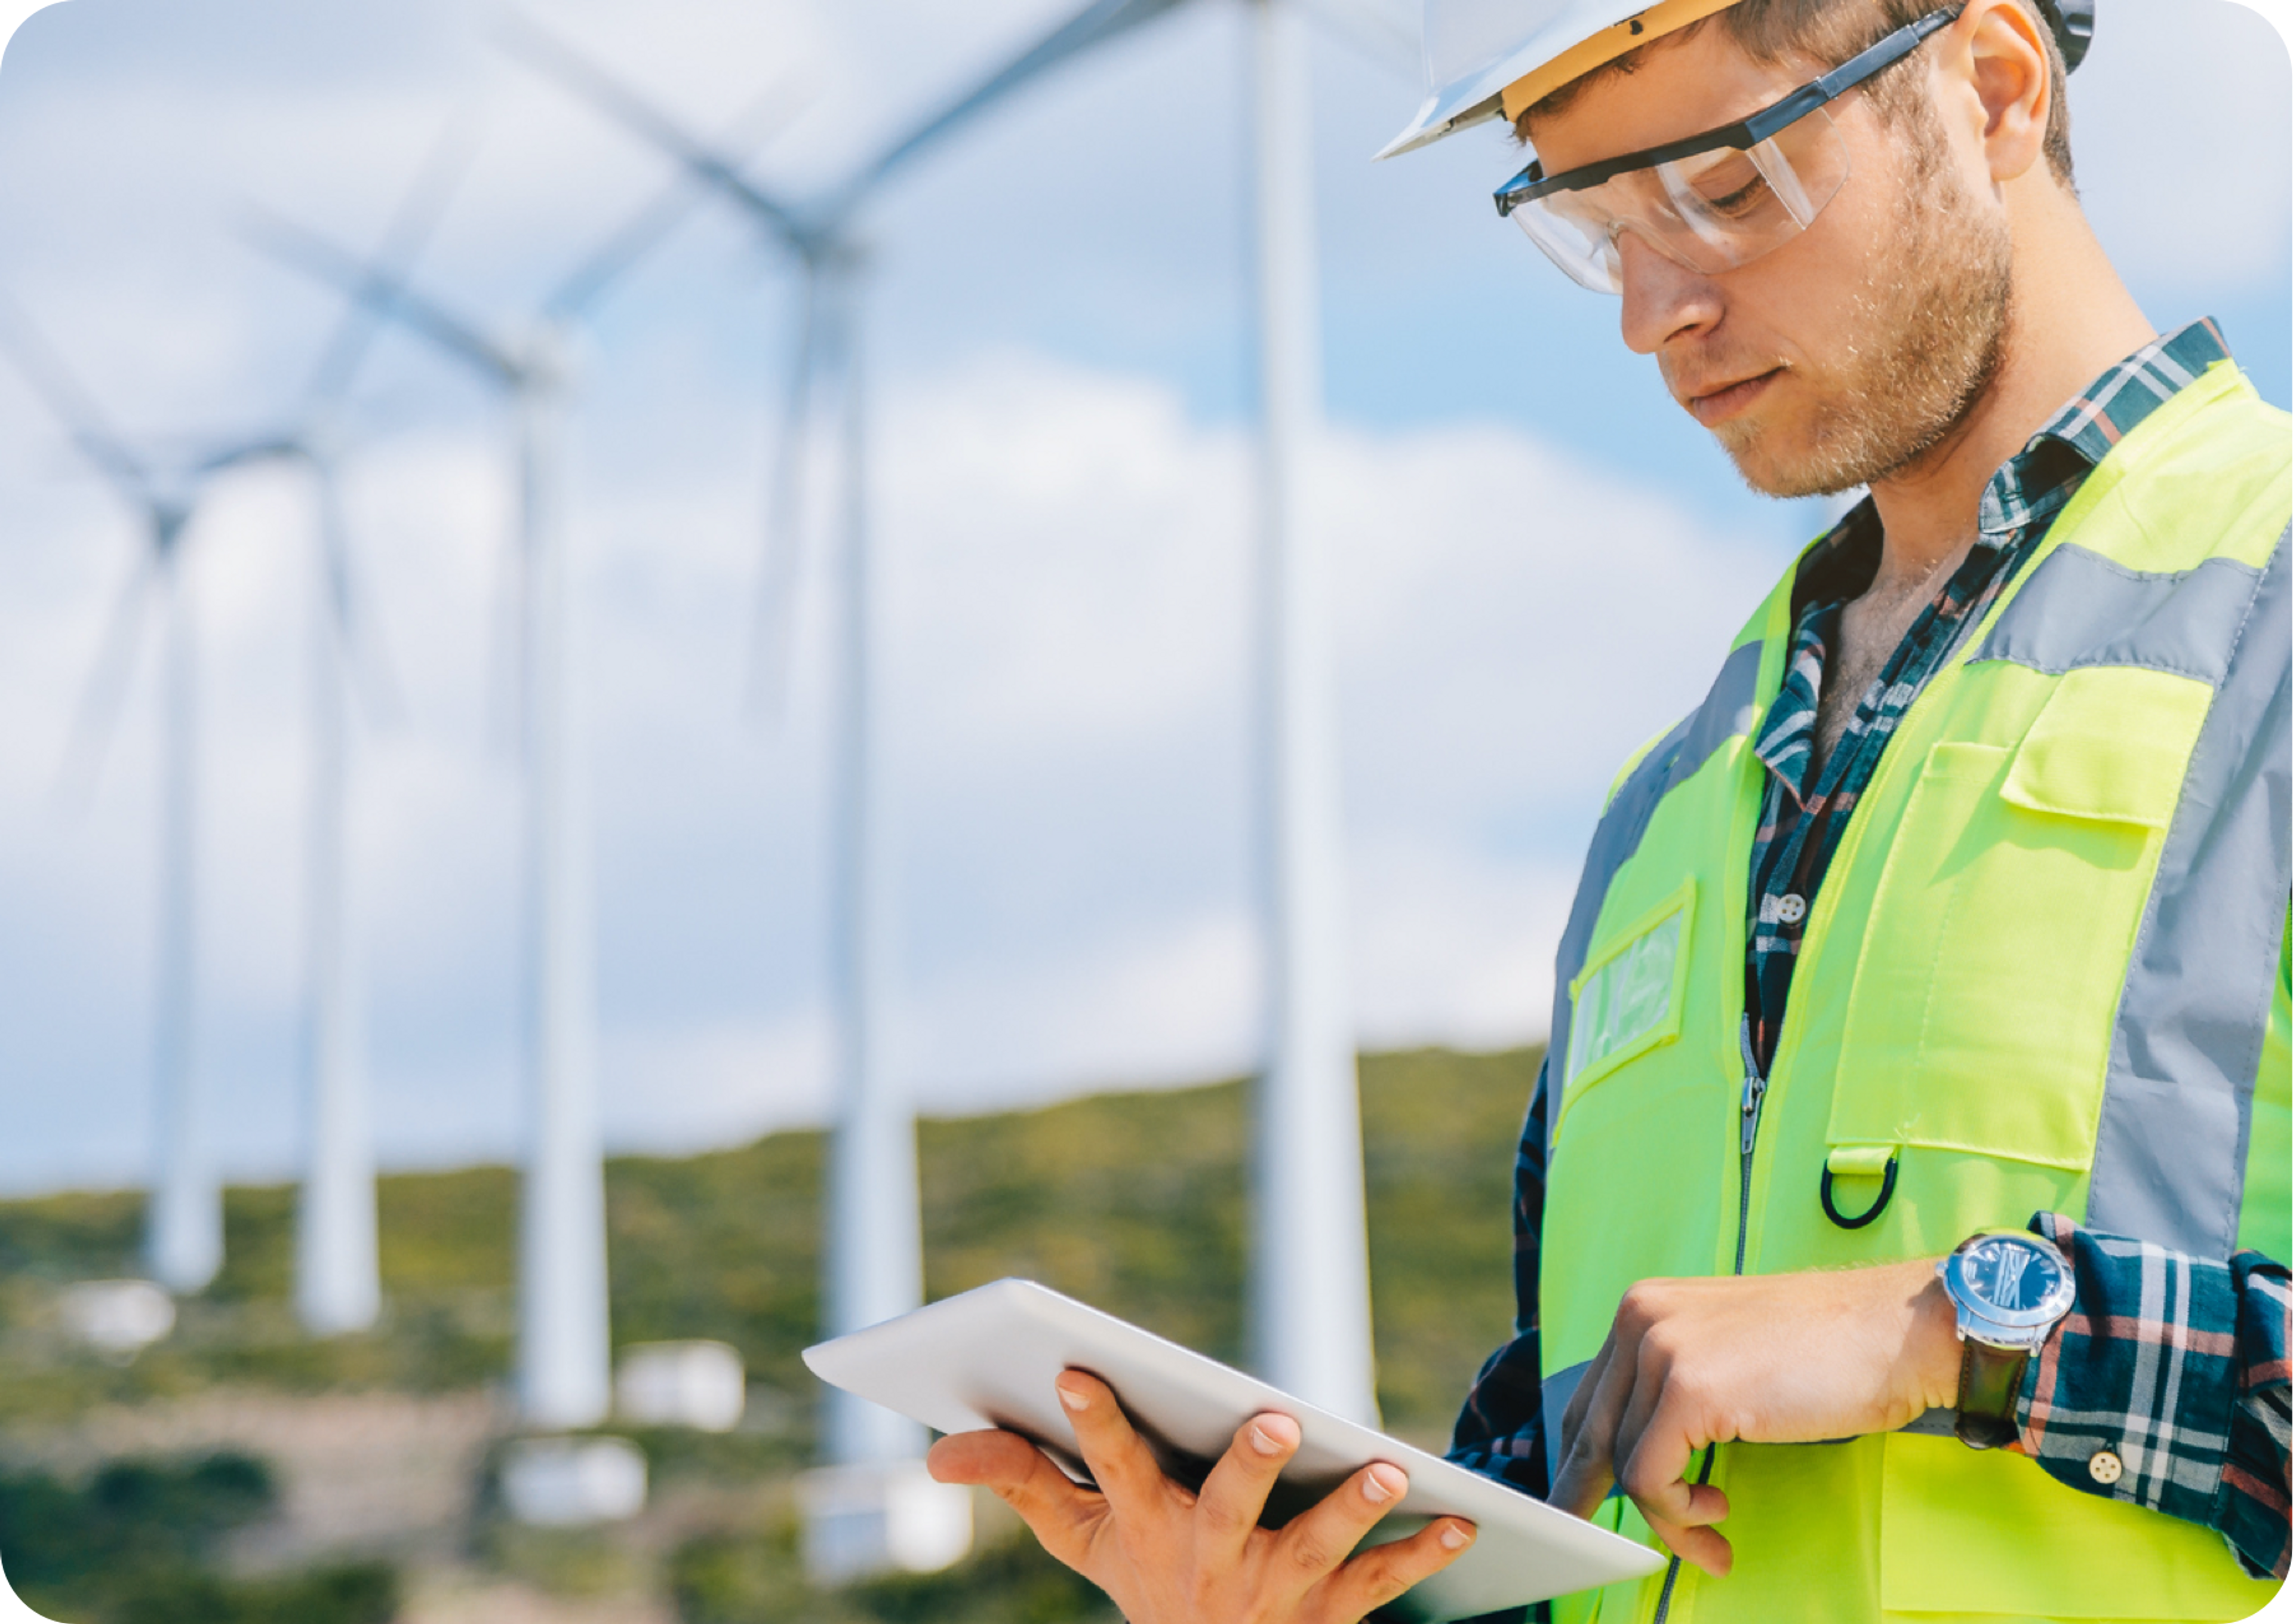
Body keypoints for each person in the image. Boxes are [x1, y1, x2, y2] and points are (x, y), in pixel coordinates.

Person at [929, 2, 2293, 1620]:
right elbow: (1593, 1542)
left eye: (1724, 189)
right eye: (1592, 226)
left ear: (1992, 84)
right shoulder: (1671, 811)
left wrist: (1965, 1335)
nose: (1654, 313)